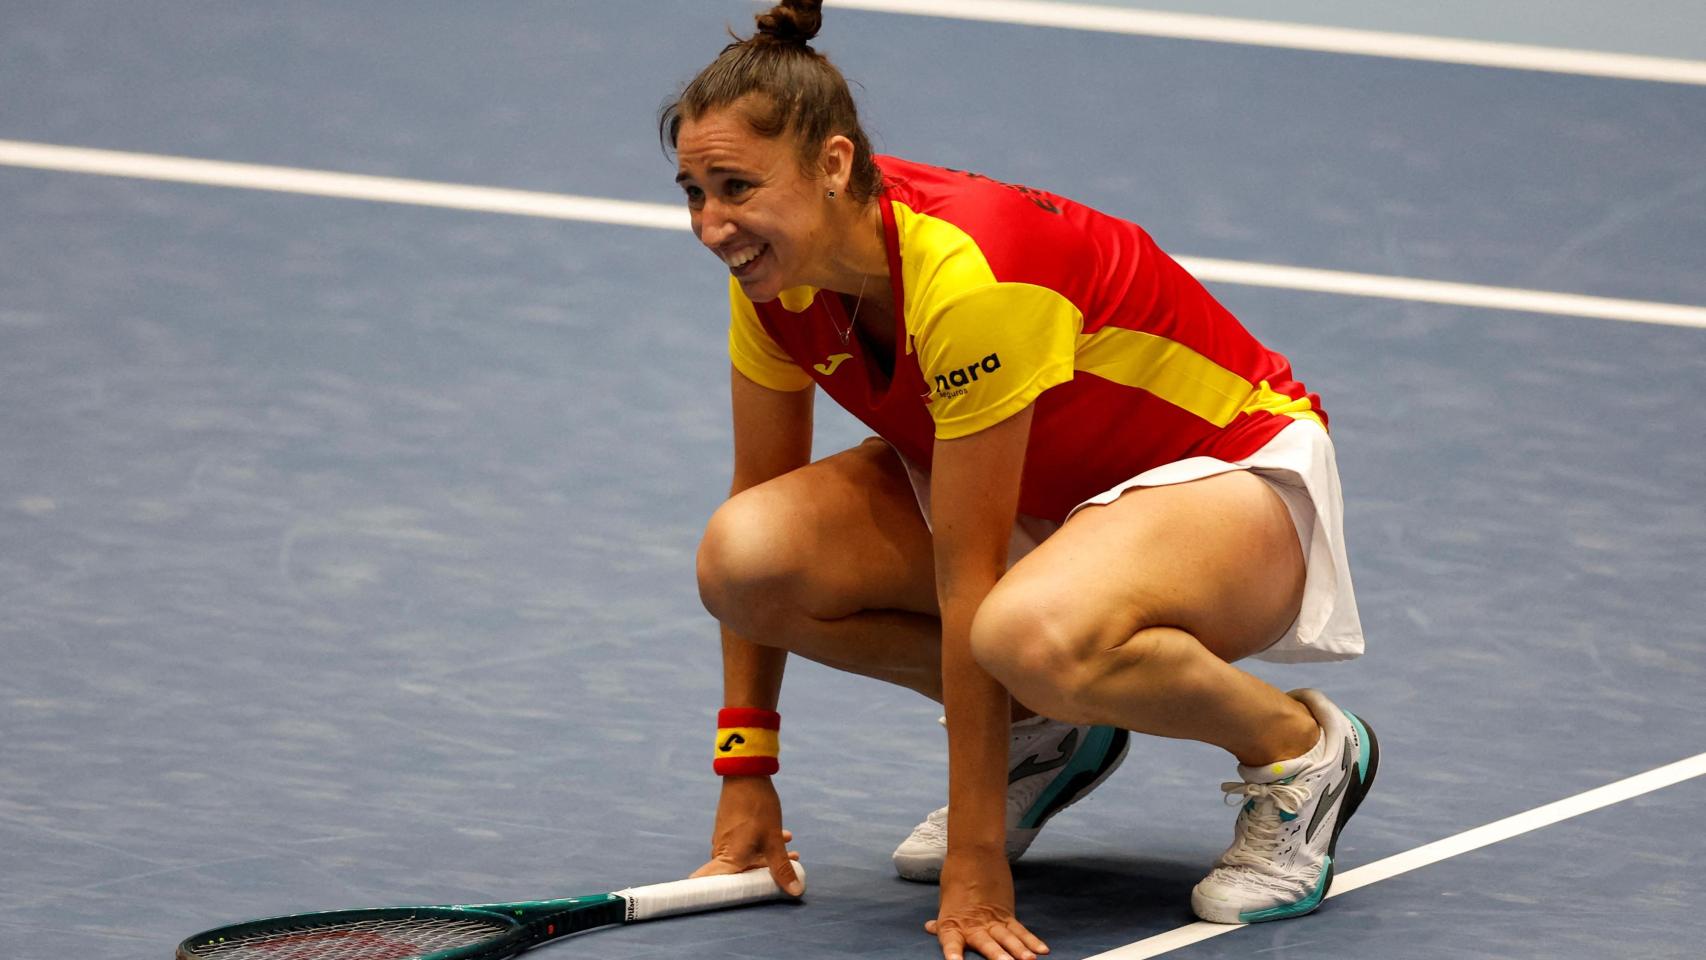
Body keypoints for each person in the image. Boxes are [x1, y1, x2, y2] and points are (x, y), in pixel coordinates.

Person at [665, 3, 1379, 959]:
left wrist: (976, 864)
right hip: (1054, 491)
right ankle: (1047, 731)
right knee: (745, 559)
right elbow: (756, 499)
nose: (713, 226)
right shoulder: (775, 281)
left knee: (1018, 632)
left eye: (736, 187)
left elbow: (969, 583)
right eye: (693, 192)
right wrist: (745, 769)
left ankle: (1297, 750)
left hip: (1227, 478)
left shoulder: (973, 278)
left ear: (834, 165)